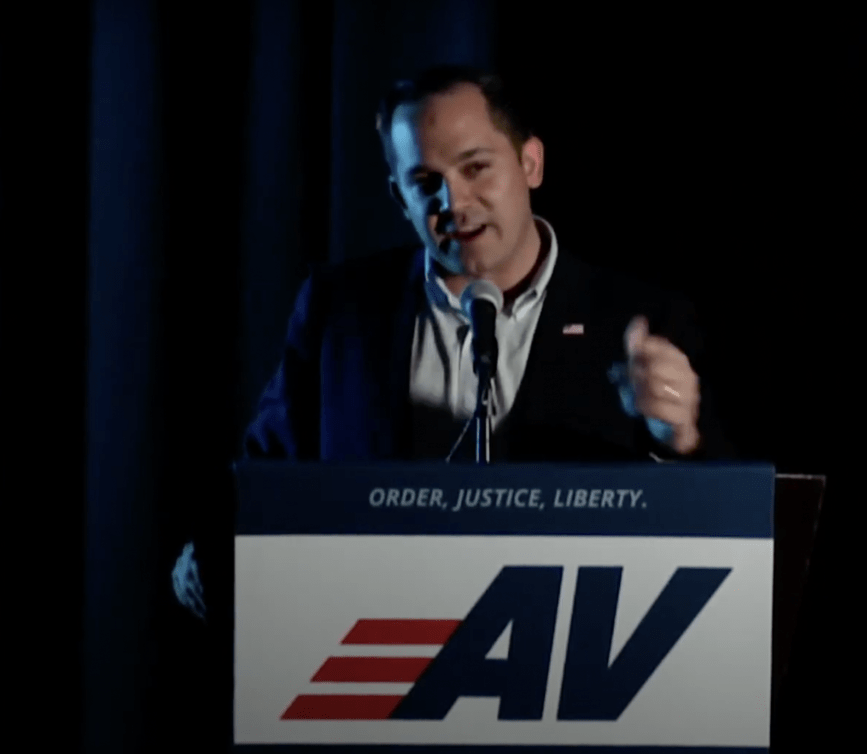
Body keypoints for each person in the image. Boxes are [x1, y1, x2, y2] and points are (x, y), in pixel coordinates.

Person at [172, 65, 731, 618]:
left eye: (476, 168)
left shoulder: (639, 319)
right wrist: (213, 551)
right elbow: (268, 469)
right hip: (377, 650)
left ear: (530, 163)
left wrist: (676, 439)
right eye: (425, 183)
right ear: (400, 198)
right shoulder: (340, 310)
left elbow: (732, 519)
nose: (453, 201)